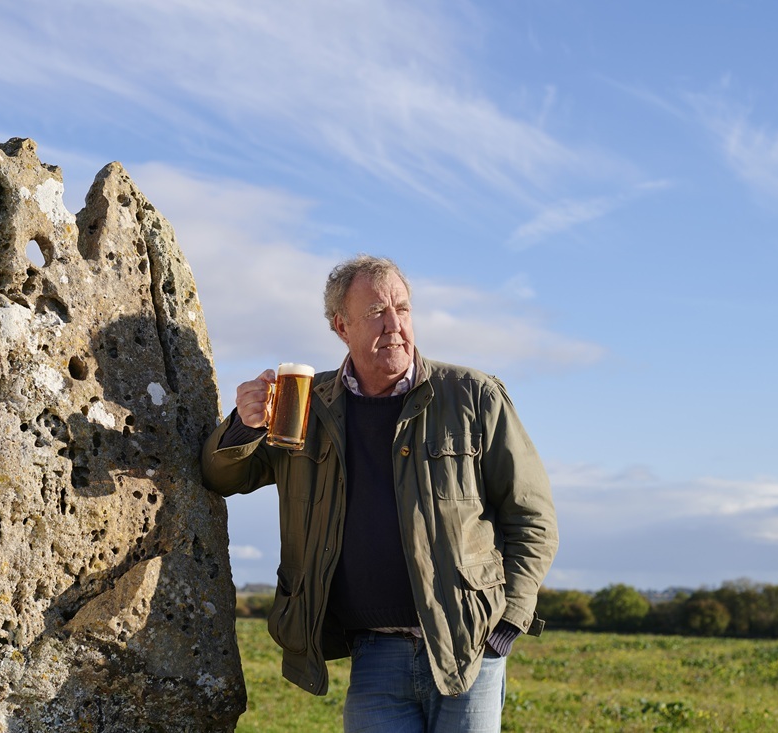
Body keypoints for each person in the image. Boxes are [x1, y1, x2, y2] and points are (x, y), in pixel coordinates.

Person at [201, 254, 558, 732]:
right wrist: (243, 425)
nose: (394, 324)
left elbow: (532, 518)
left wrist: (507, 621)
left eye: (403, 309)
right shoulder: (306, 405)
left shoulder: (474, 396)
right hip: (375, 652)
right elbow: (222, 478)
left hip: (469, 646)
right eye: (375, 313)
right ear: (341, 326)